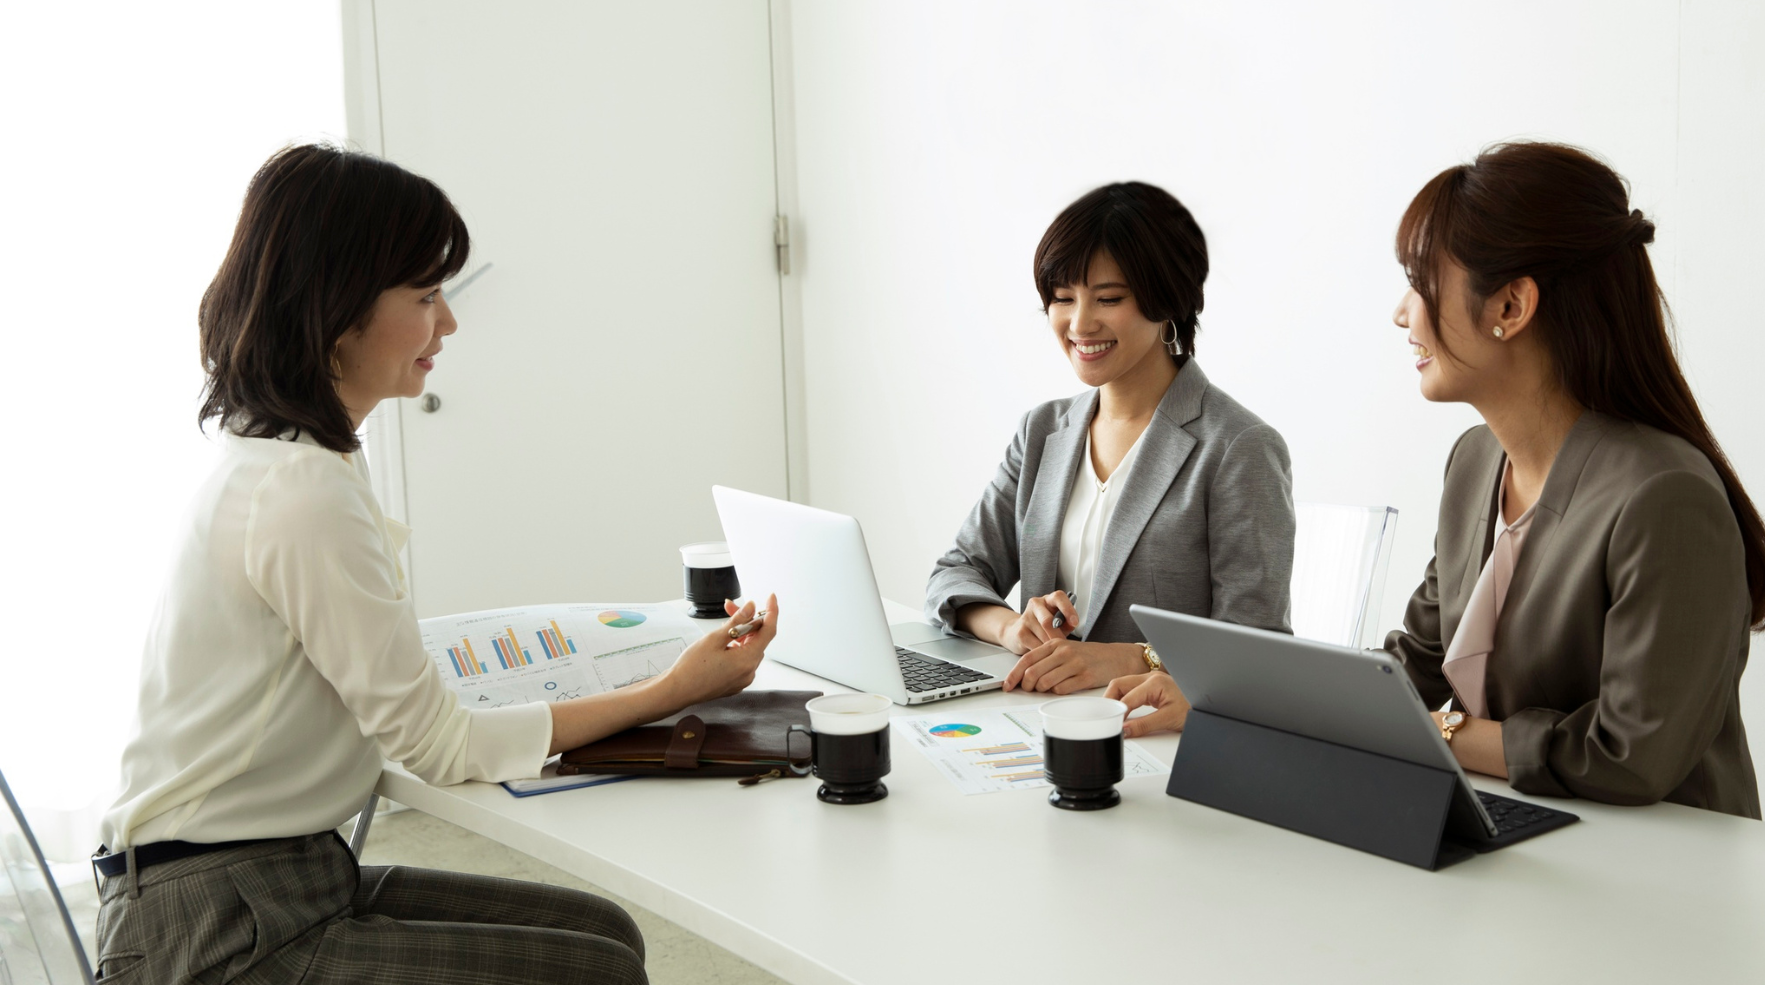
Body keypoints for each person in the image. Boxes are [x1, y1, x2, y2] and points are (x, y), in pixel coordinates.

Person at [93, 144, 779, 985]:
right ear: (337, 309)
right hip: (215, 925)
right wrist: (671, 693)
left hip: (275, 876)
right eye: (425, 296)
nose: (447, 324)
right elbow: (440, 746)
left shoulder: (304, 453)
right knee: (590, 971)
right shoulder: (301, 493)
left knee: (607, 933)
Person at [1107, 143, 1765, 819]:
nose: (1403, 314)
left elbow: (1630, 757)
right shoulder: (1475, 463)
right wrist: (1238, 702)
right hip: (1523, 827)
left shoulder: (1663, 496)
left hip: (1667, 872)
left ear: (1510, 307)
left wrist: (1441, 733)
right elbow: (1412, 666)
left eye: (1420, 281)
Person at [925, 182, 1295, 695]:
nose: (1079, 324)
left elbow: (1258, 649)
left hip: (1156, 737)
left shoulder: (1238, 447)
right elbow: (956, 571)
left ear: (1167, 298)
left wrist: (1138, 659)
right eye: (1062, 299)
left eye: (1109, 298)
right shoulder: (1041, 431)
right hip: (1035, 721)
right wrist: (1009, 627)